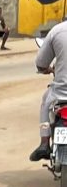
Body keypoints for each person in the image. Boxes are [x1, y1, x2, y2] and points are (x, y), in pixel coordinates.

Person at [30, 19, 67, 162]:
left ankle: (44, 143)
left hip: (60, 92)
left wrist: (47, 69)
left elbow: (40, 63)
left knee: (46, 100)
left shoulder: (57, 31)